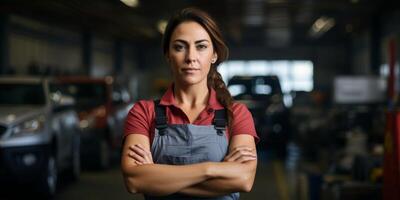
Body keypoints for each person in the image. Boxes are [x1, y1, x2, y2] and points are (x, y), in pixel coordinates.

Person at [121, 7, 259, 200]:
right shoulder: (144, 112)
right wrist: (211, 169)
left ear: (214, 54)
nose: (191, 57)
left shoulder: (236, 114)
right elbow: (135, 181)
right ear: (168, 54)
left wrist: (157, 178)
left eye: (201, 46)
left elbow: (243, 180)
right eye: (180, 47)